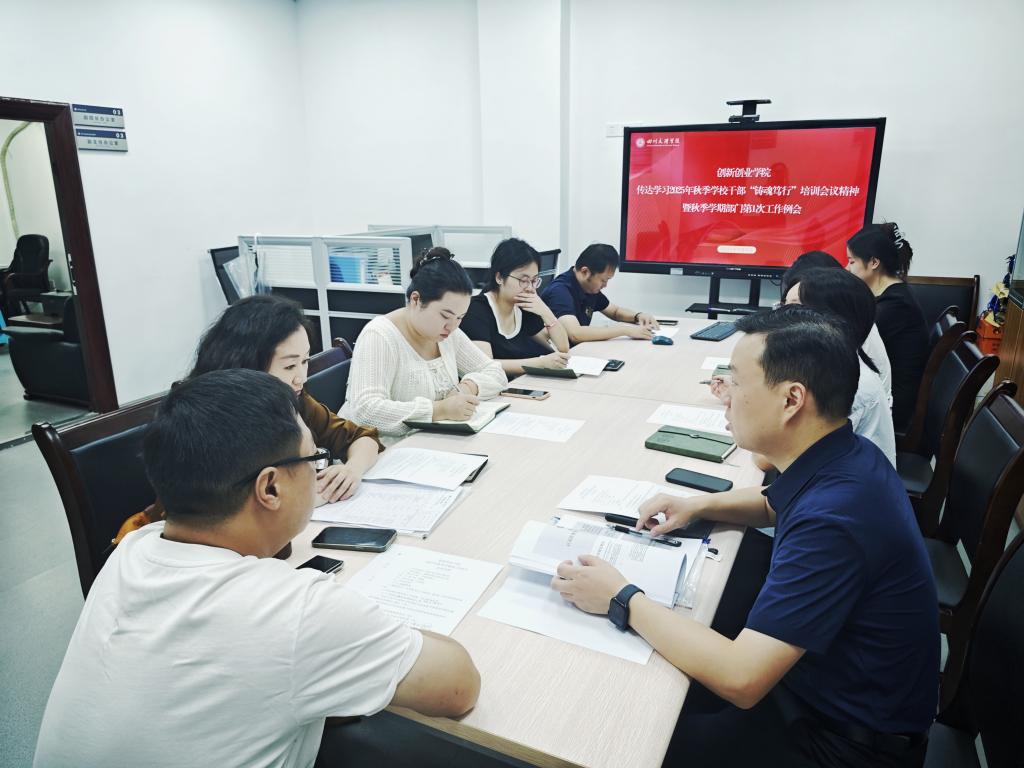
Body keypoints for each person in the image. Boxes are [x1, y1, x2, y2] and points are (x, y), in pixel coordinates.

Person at [550, 307, 938, 768]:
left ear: (792, 399)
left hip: (841, 741)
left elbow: (742, 678)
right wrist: (699, 505)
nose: (726, 396)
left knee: (622, 739)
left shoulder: (835, 519)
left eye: (736, 381)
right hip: (816, 688)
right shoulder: (845, 455)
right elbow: (775, 503)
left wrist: (620, 597)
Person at [34, 370, 481, 767]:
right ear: (270, 487)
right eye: (314, 459)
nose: (319, 471)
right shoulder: (298, 610)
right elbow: (459, 687)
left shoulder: (134, 547)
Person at [190, 294, 382, 503]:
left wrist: (352, 470)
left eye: (305, 361)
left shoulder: (294, 399)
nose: (301, 378)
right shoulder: (203, 420)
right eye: (289, 366)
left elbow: (361, 437)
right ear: (248, 365)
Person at [341, 247, 508, 441]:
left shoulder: (447, 333)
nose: (452, 326)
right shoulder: (379, 335)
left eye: (460, 317)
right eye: (445, 315)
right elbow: (366, 410)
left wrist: (467, 388)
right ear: (416, 300)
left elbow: (495, 371)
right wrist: (439, 410)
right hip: (382, 449)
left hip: (433, 441)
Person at [782, 267, 896, 467]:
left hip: (847, 484)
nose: (780, 318)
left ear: (832, 319)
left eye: (793, 309)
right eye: (783, 307)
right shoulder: (825, 362)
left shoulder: (847, 384)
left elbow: (773, 458)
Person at [778, 250, 891, 405]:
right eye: (784, 306)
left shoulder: (851, 382)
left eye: (795, 307)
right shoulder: (823, 350)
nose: (784, 317)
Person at [846, 223, 929, 432]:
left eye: (852, 261)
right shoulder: (891, 296)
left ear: (874, 262)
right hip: (887, 396)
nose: (847, 268)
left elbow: (851, 345)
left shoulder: (895, 306)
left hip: (893, 409)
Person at [459, 238, 571, 376]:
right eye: (523, 280)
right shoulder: (476, 309)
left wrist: (545, 312)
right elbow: (486, 365)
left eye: (534, 280)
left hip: (524, 383)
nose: (530, 288)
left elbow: (563, 347)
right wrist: (540, 363)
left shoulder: (523, 306)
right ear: (499, 277)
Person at [541, 243, 659, 344]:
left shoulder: (588, 287)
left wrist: (638, 316)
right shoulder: (559, 291)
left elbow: (615, 312)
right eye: (603, 280)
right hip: (552, 356)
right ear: (585, 272)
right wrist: (624, 330)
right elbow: (575, 334)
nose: (605, 285)